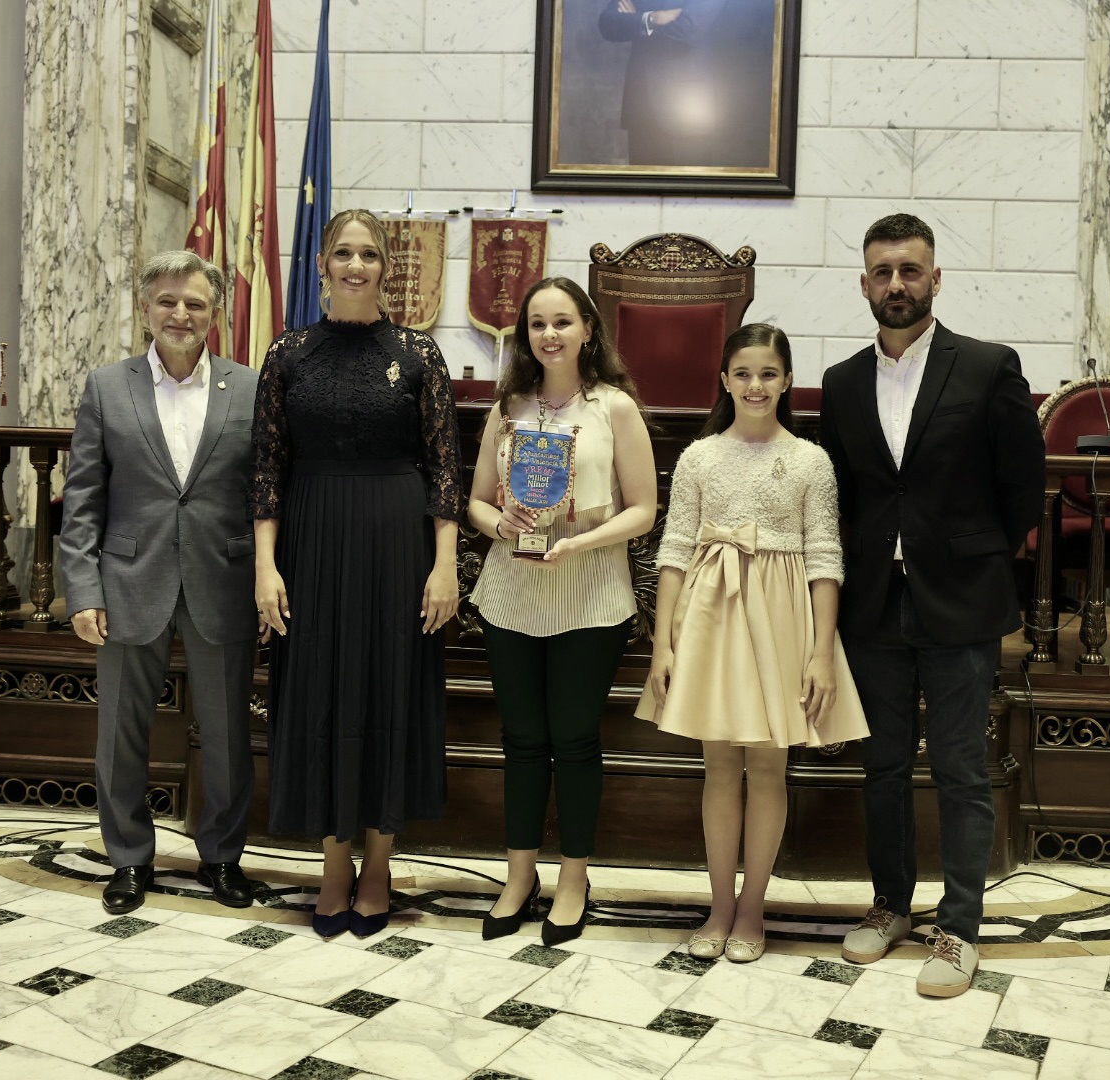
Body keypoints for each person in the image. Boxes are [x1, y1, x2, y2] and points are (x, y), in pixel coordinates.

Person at [818, 213, 1045, 997]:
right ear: (864, 283)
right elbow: (842, 494)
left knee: (959, 769)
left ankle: (960, 928)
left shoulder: (986, 366)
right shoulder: (843, 382)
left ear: (936, 278)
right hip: (874, 603)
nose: (897, 285)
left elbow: (1023, 484)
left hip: (961, 598)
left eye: (910, 270)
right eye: (883, 272)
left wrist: (972, 552)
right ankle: (890, 906)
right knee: (882, 765)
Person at [249, 209, 463, 939]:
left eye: (370, 254)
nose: (356, 265)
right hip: (310, 540)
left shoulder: (418, 353)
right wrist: (265, 568)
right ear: (321, 264)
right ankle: (333, 863)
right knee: (319, 693)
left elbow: (444, 468)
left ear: (385, 268)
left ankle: (378, 864)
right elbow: (266, 470)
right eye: (343, 252)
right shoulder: (288, 353)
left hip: (398, 543)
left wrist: (444, 566)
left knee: (388, 691)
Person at [637, 323, 868, 963]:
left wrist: (821, 652)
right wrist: (663, 644)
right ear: (724, 380)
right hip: (711, 611)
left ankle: (752, 907)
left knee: (768, 766)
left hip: (782, 613)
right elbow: (674, 550)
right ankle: (718, 906)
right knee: (718, 767)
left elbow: (825, 558)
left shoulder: (810, 460)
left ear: (787, 380)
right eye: (742, 373)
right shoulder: (699, 456)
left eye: (768, 373)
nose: (755, 385)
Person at [61, 250, 260, 915]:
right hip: (126, 583)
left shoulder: (250, 388)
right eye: (167, 301)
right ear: (145, 307)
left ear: (215, 313)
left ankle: (222, 857)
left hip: (224, 582)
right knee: (120, 732)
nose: (180, 313)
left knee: (227, 735)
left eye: (195, 303)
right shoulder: (105, 387)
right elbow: (82, 498)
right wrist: (82, 590)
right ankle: (127, 858)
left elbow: (266, 495)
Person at [466, 277, 657, 946]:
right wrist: (502, 525)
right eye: (537, 323)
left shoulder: (615, 408)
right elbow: (476, 501)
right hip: (511, 594)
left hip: (591, 593)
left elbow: (644, 509)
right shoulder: (508, 407)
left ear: (588, 330)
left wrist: (582, 542)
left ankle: (573, 879)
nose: (549, 334)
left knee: (574, 740)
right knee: (522, 740)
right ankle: (519, 877)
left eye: (562, 322)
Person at [597, 0, 776, 168]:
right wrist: (651, 18)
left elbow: (687, 30)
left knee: (687, 188)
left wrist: (637, 22)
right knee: (643, 188)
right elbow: (607, 24)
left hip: (686, 110)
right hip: (640, 105)